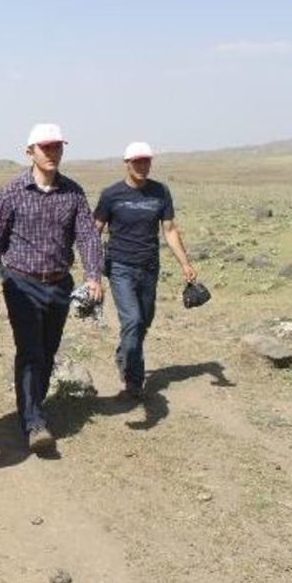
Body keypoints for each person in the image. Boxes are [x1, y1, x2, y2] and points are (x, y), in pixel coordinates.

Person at [0, 123, 104, 452]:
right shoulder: (12, 191)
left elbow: (87, 236)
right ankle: (33, 421)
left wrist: (93, 275)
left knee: (48, 350)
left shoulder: (73, 192)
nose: (52, 153)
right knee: (30, 351)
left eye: (57, 147)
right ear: (30, 152)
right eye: (45, 148)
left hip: (59, 285)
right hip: (21, 283)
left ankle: (31, 406)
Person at [94, 141, 196, 398]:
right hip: (120, 266)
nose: (142, 166)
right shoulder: (111, 195)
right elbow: (94, 231)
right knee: (133, 320)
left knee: (144, 321)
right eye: (137, 162)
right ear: (126, 164)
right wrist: (93, 271)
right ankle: (133, 379)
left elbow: (170, 230)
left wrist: (185, 264)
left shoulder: (160, 192)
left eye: (146, 161)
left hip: (149, 267)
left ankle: (123, 354)